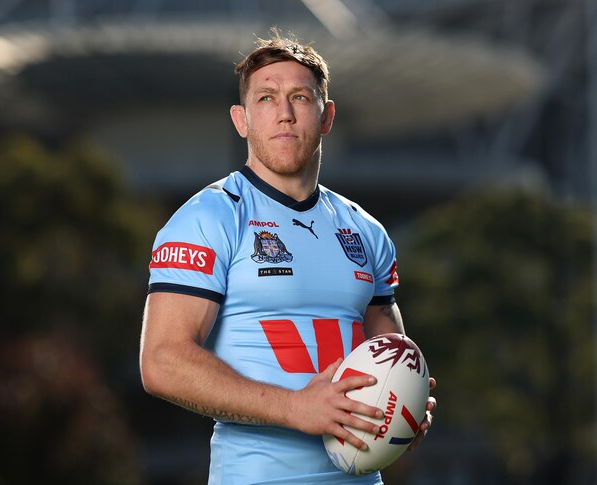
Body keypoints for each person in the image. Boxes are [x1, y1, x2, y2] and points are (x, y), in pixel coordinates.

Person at [139, 30, 436, 484]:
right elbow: (161, 361)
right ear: (241, 119)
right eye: (266, 98)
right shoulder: (208, 218)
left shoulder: (365, 230)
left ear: (327, 115)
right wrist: (295, 407)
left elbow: (390, 354)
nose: (284, 113)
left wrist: (407, 406)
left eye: (300, 96)